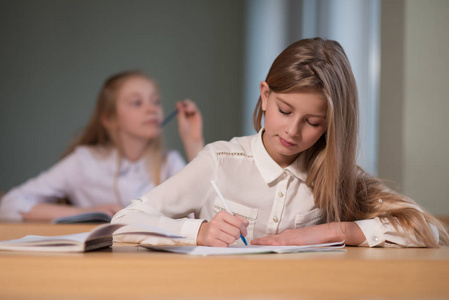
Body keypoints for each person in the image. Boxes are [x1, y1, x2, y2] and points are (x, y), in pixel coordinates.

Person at [111, 38, 449, 248]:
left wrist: (336, 231)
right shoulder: (220, 160)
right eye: (284, 110)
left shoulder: (334, 175)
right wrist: (197, 232)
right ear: (265, 95)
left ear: (332, 126)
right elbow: (124, 221)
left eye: (313, 122)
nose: (292, 131)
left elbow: (429, 233)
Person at [0, 70, 204, 222]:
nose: (152, 109)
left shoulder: (170, 163)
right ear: (109, 119)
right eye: (137, 102)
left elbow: (205, 213)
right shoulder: (84, 162)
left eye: (156, 101)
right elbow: (8, 205)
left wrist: (193, 142)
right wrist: (84, 213)